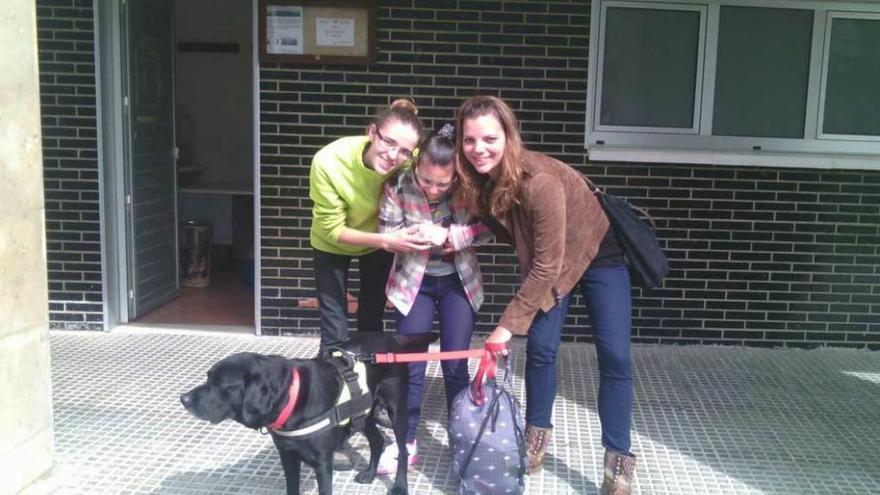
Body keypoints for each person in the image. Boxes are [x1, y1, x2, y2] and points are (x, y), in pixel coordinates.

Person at [454, 96, 637, 495]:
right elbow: (515, 239)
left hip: (597, 254)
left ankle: (618, 459)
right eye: (469, 140)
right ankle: (536, 436)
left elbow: (545, 268)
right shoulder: (478, 183)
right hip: (552, 261)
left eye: (489, 138)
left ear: (508, 136)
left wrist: (504, 328)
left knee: (615, 355)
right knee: (540, 348)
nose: (478, 149)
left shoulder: (540, 180)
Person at [375, 123, 491, 475]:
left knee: (455, 363)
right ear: (416, 167)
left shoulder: (471, 188)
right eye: (426, 181)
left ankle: (461, 437)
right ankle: (404, 440)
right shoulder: (398, 185)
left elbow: (489, 228)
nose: (434, 189)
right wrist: (414, 236)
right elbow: (386, 233)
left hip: (459, 282)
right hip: (414, 283)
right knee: (411, 364)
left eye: (444, 184)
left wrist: (452, 236)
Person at [308, 98, 431, 355]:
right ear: (372, 133)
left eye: (405, 151)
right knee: (334, 326)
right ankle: (334, 386)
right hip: (334, 242)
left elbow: (442, 163)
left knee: (371, 317)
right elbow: (333, 230)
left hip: (380, 242)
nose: (394, 156)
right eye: (388, 142)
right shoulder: (328, 161)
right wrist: (388, 241)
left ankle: (368, 383)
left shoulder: (411, 161)